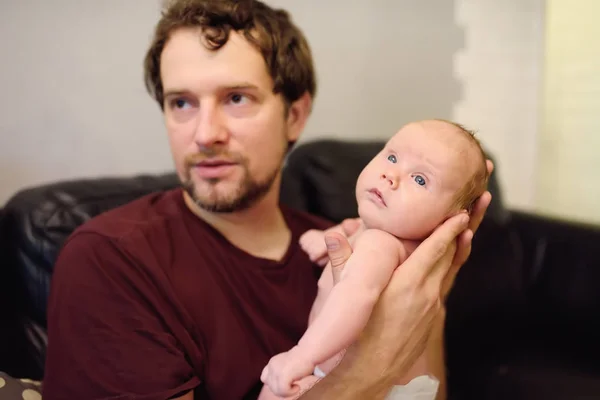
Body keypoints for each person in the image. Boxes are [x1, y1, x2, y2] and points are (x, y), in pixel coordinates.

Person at [41, 1, 493, 399]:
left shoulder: (337, 244)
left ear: (294, 115)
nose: (205, 134)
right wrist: (363, 372)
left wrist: (433, 290)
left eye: (236, 98)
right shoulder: (110, 260)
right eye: (181, 103)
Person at [258, 119, 489, 399]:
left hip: (348, 377)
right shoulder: (383, 235)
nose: (390, 176)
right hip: (397, 384)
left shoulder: (381, 245)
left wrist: (301, 356)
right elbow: (354, 226)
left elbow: (354, 296)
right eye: (392, 157)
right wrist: (331, 235)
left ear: (450, 220)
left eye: (420, 179)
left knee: (273, 392)